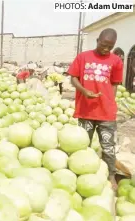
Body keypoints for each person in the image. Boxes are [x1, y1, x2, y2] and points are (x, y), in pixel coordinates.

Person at [67, 28, 123, 190]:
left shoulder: (116, 61)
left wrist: (109, 101)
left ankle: (111, 175)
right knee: (82, 144)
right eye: (104, 44)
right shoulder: (83, 57)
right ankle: (79, 172)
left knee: (108, 145)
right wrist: (84, 91)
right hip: (86, 110)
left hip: (106, 112)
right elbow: (73, 78)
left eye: (110, 46)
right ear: (97, 40)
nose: (106, 49)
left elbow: (115, 83)